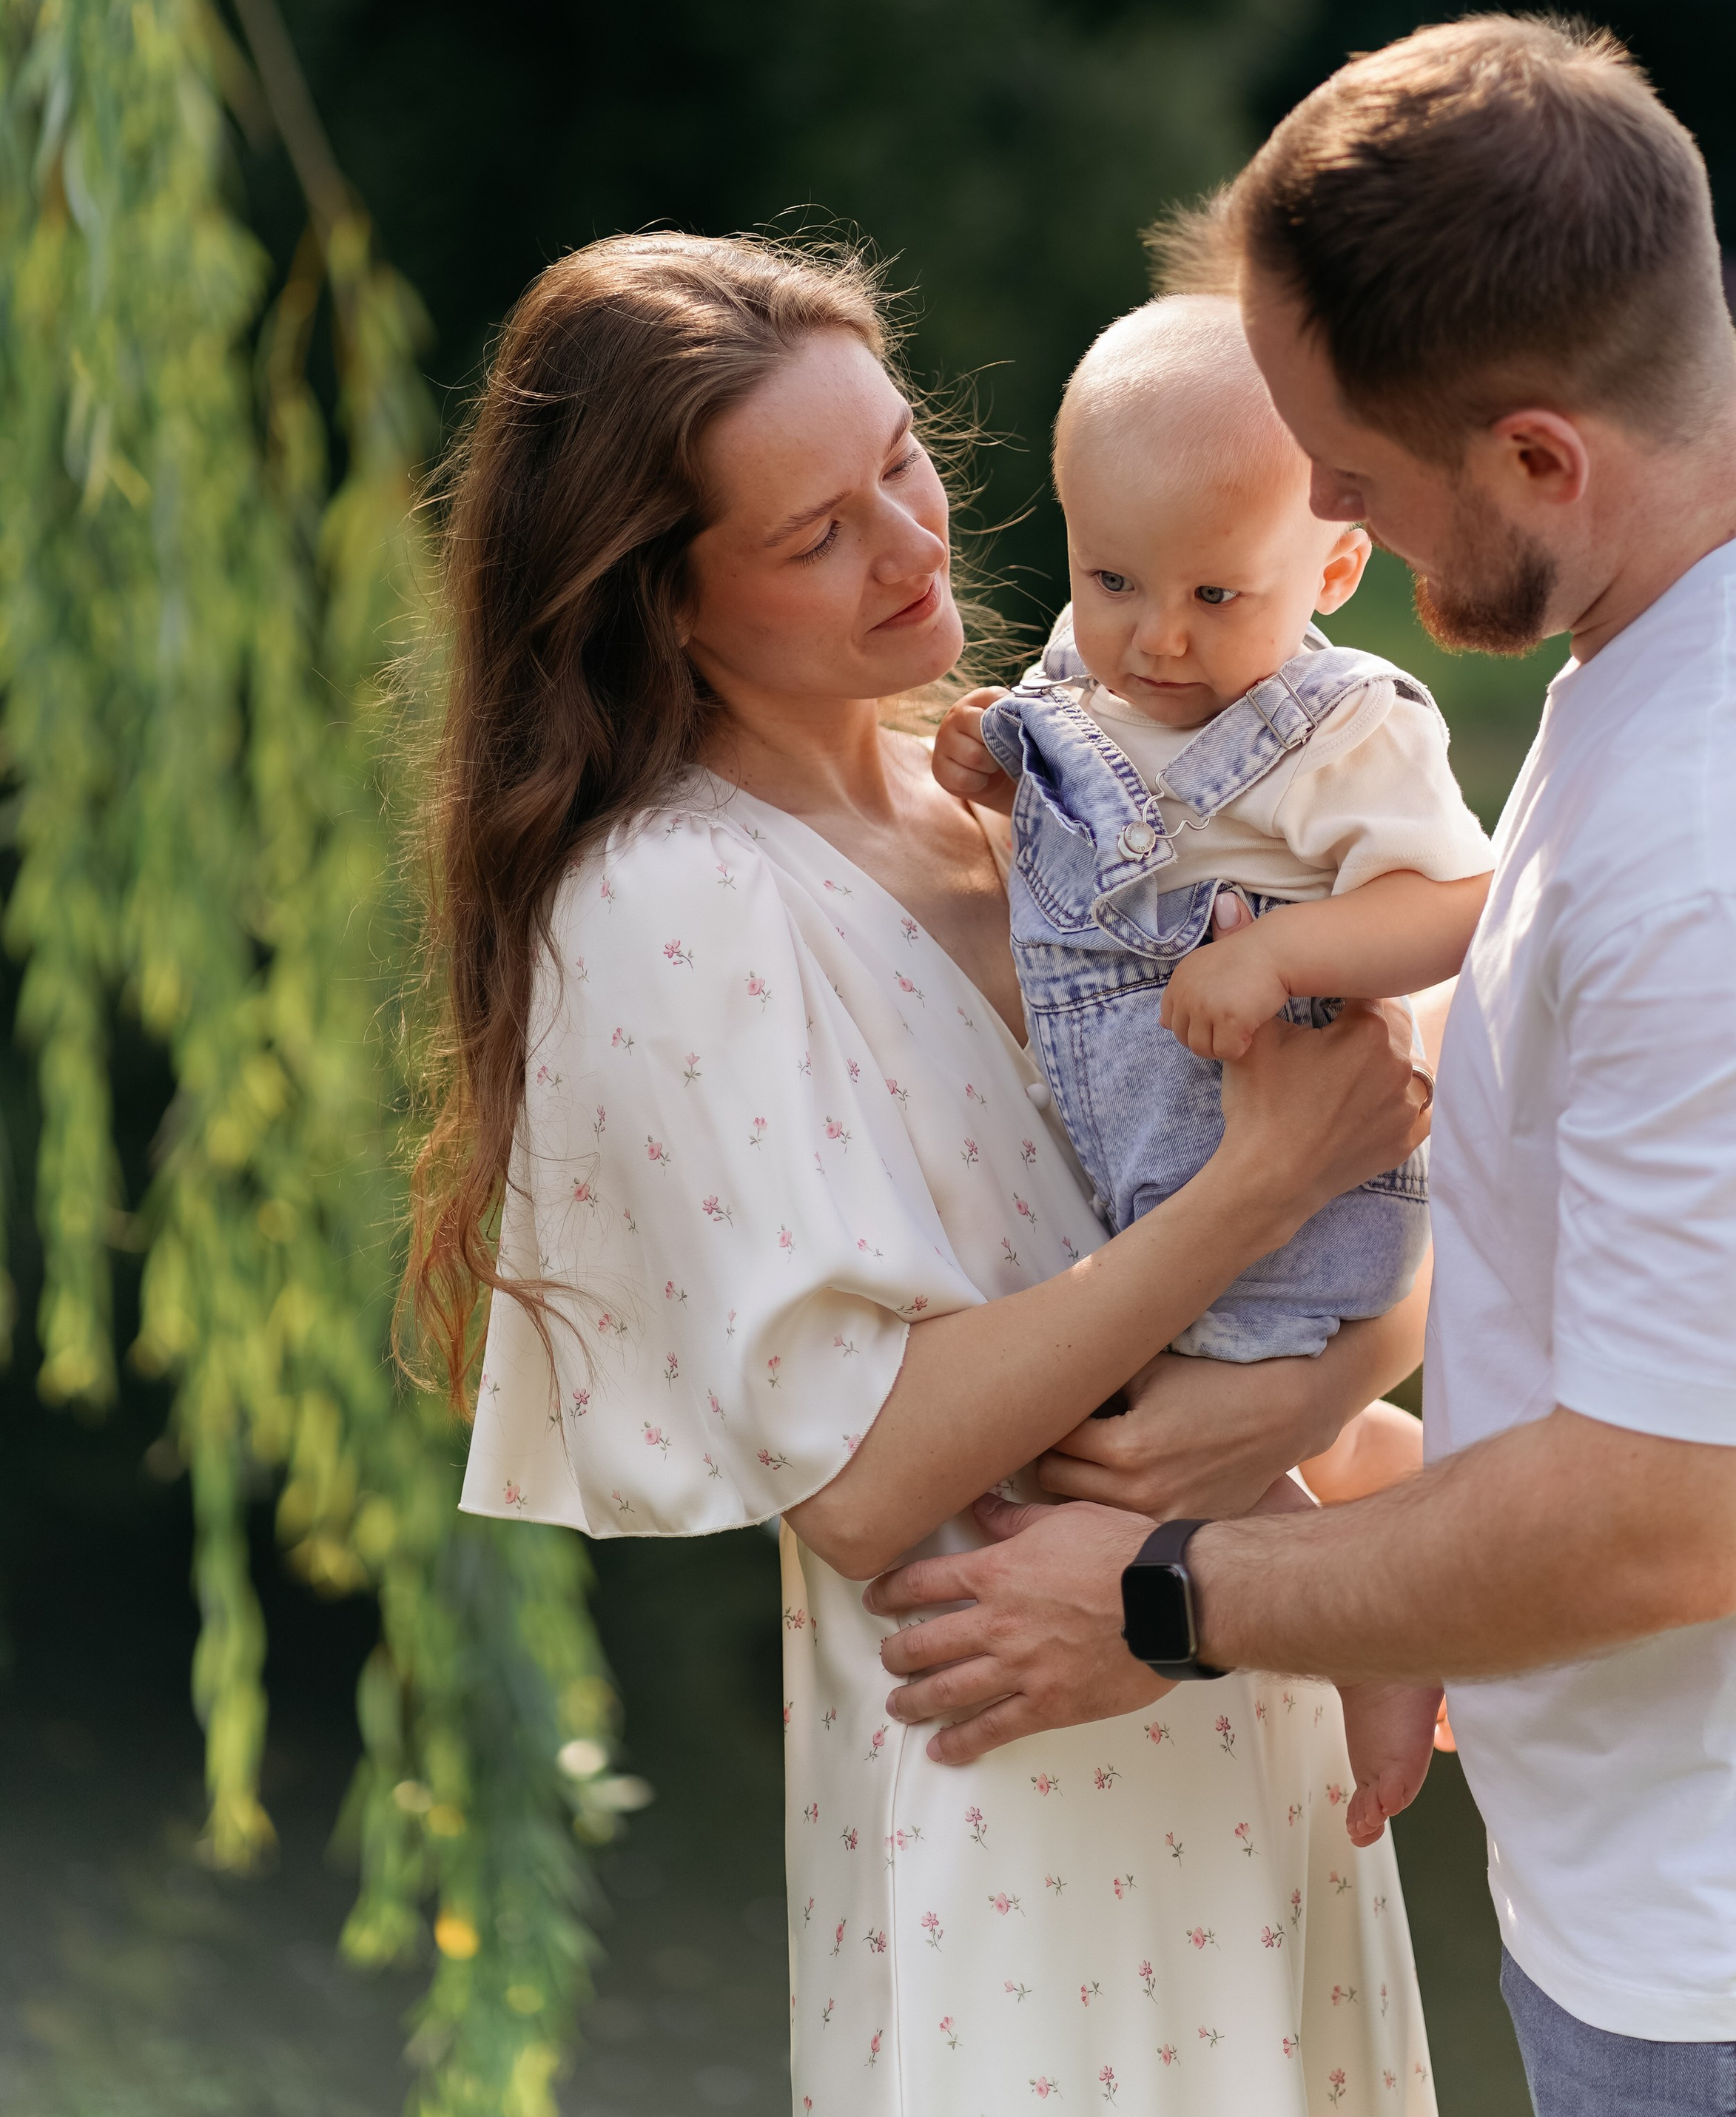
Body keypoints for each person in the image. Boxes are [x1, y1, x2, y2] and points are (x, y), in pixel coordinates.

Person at [867, 15, 1736, 2117]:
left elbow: (1658, 1529)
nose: (1321, 509)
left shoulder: (1723, 854)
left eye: (1353, 472)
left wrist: (1175, 1596)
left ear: (1539, 460)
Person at [408, 232, 1441, 2114]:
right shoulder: (671, 904)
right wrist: (1251, 1202)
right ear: (662, 605)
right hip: (1028, 1802)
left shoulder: (1047, 784)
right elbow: (870, 1476)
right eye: (812, 536)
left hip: (1234, 1679)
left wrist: (1312, 1488)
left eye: (897, 459)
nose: (909, 546)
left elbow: (1384, 1180)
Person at [930, 290, 1491, 1840]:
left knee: (1146, 1443)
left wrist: (1283, 956)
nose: (1156, 636)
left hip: (1294, 1173)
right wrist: (993, 768)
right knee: (1216, 1413)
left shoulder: (1340, 729)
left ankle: (1366, 1630)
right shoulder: (1085, 684)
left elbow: (1461, 903)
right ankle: (1406, 1529)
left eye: (1213, 594)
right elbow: (1074, 868)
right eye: (1108, 577)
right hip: (1147, 1176)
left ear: (1329, 567)